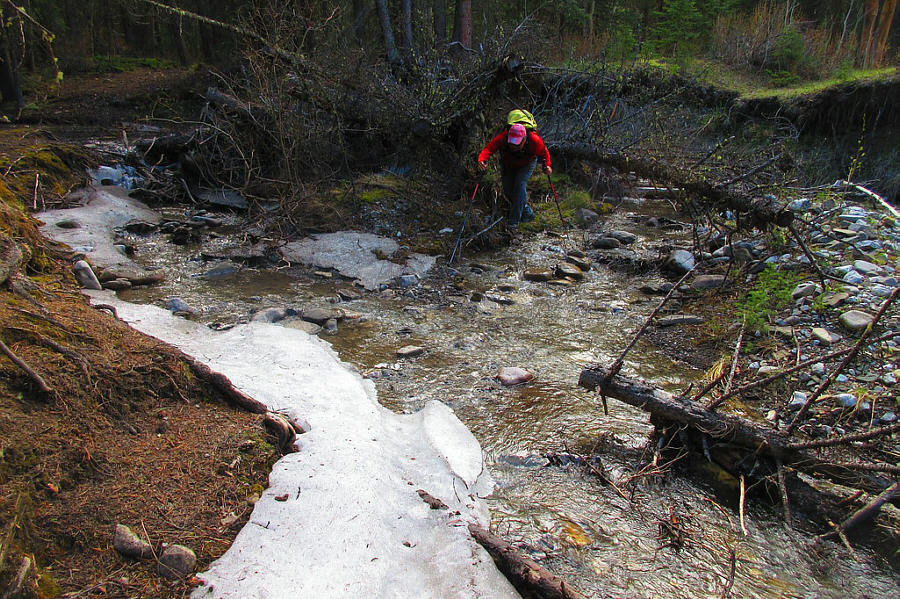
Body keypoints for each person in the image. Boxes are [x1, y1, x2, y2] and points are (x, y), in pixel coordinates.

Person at [477, 122, 552, 229]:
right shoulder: (503, 137)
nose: (513, 146)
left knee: (519, 185)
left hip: (526, 164)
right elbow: (489, 148)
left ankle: (513, 221)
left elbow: (544, 153)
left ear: (524, 139)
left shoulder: (535, 140)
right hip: (507, 163)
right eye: (511, 143)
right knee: (508, 190)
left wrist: (547, 166)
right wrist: (482, 160)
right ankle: (528, 213)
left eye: (516, 144)